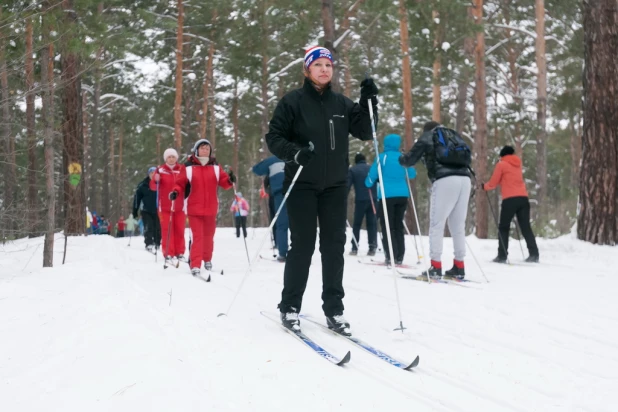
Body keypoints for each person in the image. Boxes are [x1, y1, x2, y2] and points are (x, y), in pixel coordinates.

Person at [265, 45, 377, 334]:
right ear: (307, 69)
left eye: (328, 65)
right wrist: (294, 152)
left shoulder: (342, 104)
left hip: (335, 186)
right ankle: (289, 307)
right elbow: (274, 137)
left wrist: (368, 100)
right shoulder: (292, 102)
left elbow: (366, 131)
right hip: (301, 183)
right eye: (319, 65)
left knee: (333, 247)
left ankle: (334, 310)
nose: (324, 69)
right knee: (302, 245)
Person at [399, 121, 472, 280]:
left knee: (437, 224)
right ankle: (459, 266)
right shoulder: (453, 135)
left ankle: (435, 266)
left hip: (445, 180)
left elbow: (408, 161)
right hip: (465, 180)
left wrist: (402, 157)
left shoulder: (427, 136)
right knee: (458, 226)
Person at [184, 139, 235, 276]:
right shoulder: (188, 167)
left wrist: (230, 180)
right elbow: (180, 183)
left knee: (208, 236)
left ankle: (207, 260)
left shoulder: (216, 167)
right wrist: (176, 192)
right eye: (202, 148)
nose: (205, 150)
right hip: (194, 209)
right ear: (196, 150)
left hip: (211, 208)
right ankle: (195, 264)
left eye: (207, 148)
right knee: (197, 237)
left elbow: (224, 182)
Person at [365, 134, 416, 265]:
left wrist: (368, 183)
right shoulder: (402, 158)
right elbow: (412, 174)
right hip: (402, 195)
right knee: (398, 225)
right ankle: (399, 255)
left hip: (386, 195)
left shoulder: (382, 158)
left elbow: (371, 177)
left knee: (387, 225)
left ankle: (390, 255)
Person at [483, 145, 539, 263]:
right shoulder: (517, 164)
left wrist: (485, 187)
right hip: (523, 198)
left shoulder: (501, 164)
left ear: (502, 155)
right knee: (525, 227)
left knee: (504, 227)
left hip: (510, 200)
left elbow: (494, 182)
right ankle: (534, 254)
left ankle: (502, 255)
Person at [151, 148, 188, 265]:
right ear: (165, 158)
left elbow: (187, 183)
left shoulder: (182, 169)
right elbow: (153, 186)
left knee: (180, 229)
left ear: (176, 158)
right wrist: (155, 180)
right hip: (165, 207)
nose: (171, 159)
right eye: (169, 157)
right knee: (167, 230)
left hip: (180, 206)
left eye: (173, 157)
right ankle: (168, 253)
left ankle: (180, 252)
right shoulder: (160, 170)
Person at [252, 155, 288, 261]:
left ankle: (283, 252)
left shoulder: (273, 160)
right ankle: (300, 252)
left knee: (281, 224)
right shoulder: (294, 155)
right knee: (297, 224)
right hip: (296, 192)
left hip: (279, 194)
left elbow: (256, 169)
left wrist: (268, 171)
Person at [347, 153, 378, 256]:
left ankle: (355, 247)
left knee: (357, 224)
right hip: (373, 199)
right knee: (371, 224)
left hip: (360, 200)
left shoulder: (353, 170)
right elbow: (378, 180)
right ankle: (372, 247)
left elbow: (348, 185)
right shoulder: (371, 168)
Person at [133, 167, 161, 252]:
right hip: (146, 210)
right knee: (149, 226)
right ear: (148, 174)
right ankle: (149, 243)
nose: (153, 174)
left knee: (158, 227)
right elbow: (137, 199)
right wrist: (135, 210)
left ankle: (157, 242)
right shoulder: (143, 185)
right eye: (151, 173)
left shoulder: (160, 184)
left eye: (155, 173)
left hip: (158, 209)